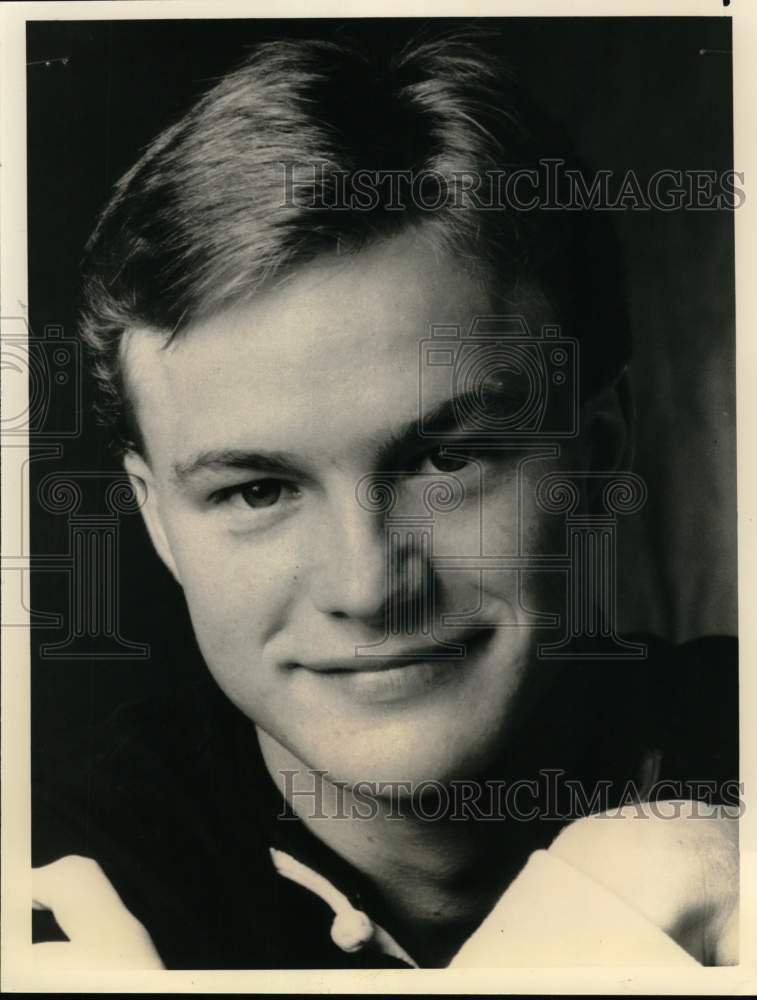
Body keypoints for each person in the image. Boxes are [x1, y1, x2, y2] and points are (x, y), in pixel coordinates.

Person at [31, 29, 738, 969]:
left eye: (445, 460)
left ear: (599, 451)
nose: (367, 587)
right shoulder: (47, 887)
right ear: (156, 521)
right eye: (258, 490)